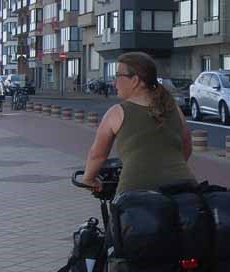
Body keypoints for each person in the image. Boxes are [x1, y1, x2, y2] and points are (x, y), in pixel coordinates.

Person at [80, 52, 195, 195]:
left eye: (118, 76)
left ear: (135, 80)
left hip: (136, 192)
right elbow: (187, 145)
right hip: (185, 188)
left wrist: (88, 179)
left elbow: (97, 155)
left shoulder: (117, 113)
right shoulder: (173, 107)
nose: (114, 82)